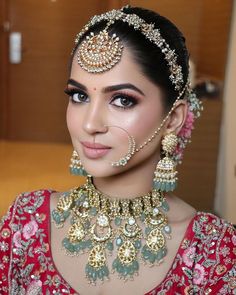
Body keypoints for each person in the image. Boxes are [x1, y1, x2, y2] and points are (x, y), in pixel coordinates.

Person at [0, 6, 235, 295]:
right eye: (79, 95)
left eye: (122, 100)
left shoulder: (212, 251)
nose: (90, 123)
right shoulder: (27, 220)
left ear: (173, 119)